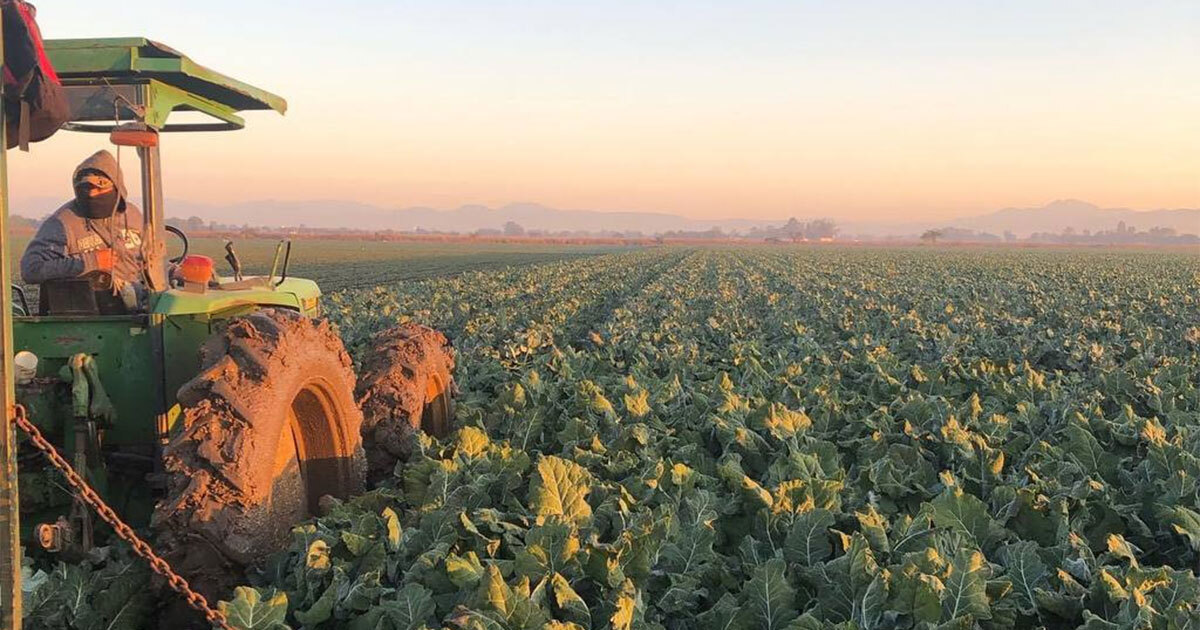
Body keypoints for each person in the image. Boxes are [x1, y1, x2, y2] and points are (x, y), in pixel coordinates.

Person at [20, 150, 145, 311]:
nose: (92, 195)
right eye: (86, 190)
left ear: (116, 186)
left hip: (134, 310)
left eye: (99, 189)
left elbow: (148, 257)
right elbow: (31, 269)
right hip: (86, 318)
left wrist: (171, 271)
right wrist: (90, 262)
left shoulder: (132, 215)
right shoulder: (62, 223)